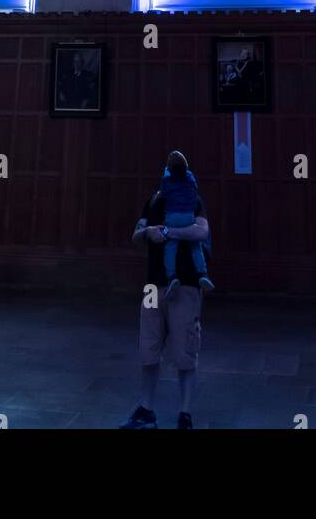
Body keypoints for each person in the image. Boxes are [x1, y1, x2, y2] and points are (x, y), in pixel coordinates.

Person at [119, 153, 211, 431]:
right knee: (149, 348)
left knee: (185, 352)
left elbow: (202, 231)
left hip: (185, 285)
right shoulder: (155, 200)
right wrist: (149, 233)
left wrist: (170, 232)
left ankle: (185, 413)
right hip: (153, 285)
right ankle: (146, 409)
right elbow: (136, 234)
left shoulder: (193, 198)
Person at [158, 150, 213, 298]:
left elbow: (163, 193)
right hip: (188, 215)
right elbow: (194, 188)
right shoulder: (190, 178)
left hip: (172, 216)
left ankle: (172, 277)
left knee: (170, 246)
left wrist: (167, 174)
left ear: (169, 168)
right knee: (195, 245)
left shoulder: (166, 181)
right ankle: (203, 273)